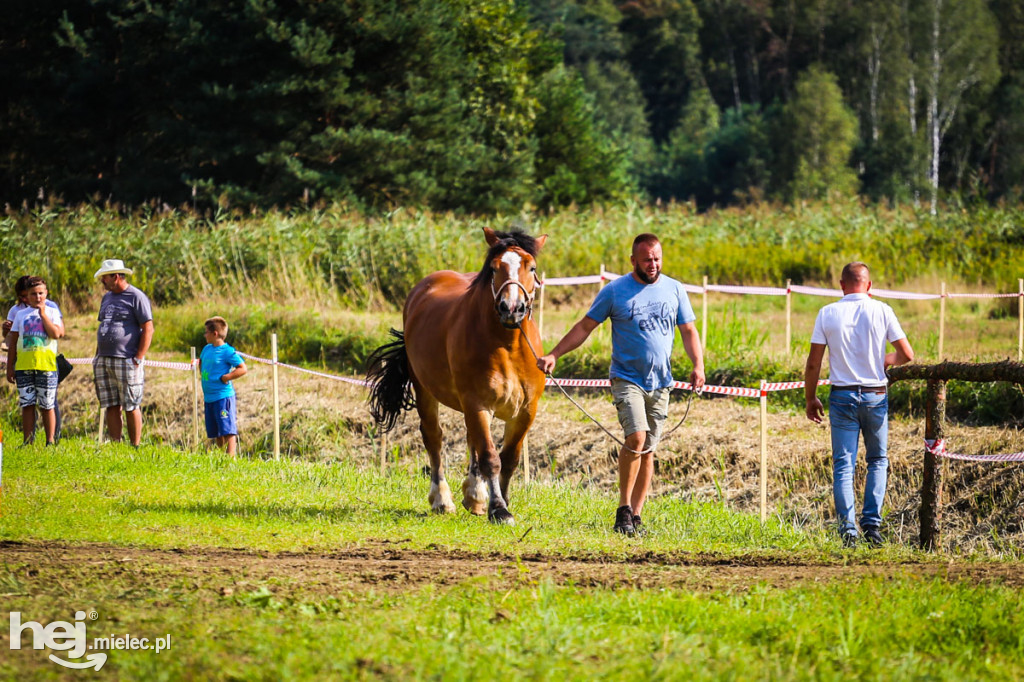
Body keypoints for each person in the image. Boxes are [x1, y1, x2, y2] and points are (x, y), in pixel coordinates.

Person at [537, 233, 705, 536]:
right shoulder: (615, 291)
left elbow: (689, 330)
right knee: (637, 439)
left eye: (657, 259)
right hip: (627, 378)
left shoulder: (675, 289)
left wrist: (698, 365)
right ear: (633, 261)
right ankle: (623, 509)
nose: (652, 265)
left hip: (661, 382)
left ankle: (636, 516)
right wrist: (554, 354)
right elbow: (585, 326)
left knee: (649, 449)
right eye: (646, 260)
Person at [804, 262, 914, 548]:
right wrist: (885, 361)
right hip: (875, 394)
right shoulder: (882, 310)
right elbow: (907, 354)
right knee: (877, 460)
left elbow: (814, 361)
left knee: (844, 465)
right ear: (869, 285)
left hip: (841, 396)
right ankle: (872, 525)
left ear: (842, 285)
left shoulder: (827, 313)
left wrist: (810, 397)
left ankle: (847, 530)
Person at [93, 259, 154, 447]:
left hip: (127, 358)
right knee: (110, 404)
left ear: (116, 276)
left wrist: (138, 357)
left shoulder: (136, 296)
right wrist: (97, 356)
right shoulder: (107, 298)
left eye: (105, 277)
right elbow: (104, 325)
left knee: (130, 404)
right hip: (104, 358)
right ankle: (116, 444)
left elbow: (148, 328)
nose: (102, 281)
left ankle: (134, 446)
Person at [5, 277, 65, 445]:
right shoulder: (20, 315)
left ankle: (50, 441)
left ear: (46, 294)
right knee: (27, 404)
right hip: (24, 365)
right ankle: (28, 442)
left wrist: (43, 314)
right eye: (33, 294)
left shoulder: (52, 312)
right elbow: (13, 343)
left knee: (47, 405)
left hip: (46, 365)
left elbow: (57, 334)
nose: (37, 297)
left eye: (40, 293)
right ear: (27, 296)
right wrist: (10, 367)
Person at [198, 316, 247, 456]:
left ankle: (230, 458)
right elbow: (201, 361)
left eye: (206, 332)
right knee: (216, 431)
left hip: (222, 397)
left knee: (227, 429)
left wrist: (227, 377)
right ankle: (221, 456)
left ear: (215, 334)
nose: (204, 335)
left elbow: (242, 368)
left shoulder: (227, 351)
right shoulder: (207, 349)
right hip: (209, 398)